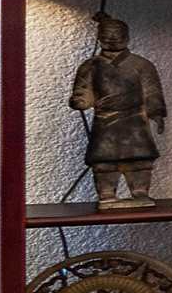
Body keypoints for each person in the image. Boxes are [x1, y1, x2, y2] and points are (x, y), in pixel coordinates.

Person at [68, 12, 165, 208]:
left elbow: (152, 90)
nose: (112, 39)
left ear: (127, 37)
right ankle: (107, 195)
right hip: (104, 121)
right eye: (107, 35)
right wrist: (80, 100)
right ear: (99, 37)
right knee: (104, 161)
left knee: (140, 160)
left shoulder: (141, 64)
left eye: (117, 35)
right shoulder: (91, 65)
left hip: (135, 121)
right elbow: (83, 91)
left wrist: (156, 112)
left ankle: (140, 193)